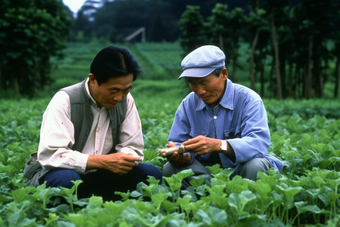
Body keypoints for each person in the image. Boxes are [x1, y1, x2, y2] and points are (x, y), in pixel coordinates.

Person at [24, 46, 162, 201]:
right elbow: (53, 155)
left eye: (126, 90)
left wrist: (123, 158)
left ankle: (105, 205)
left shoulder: (126, 100)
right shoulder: (65, 100)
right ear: (93, 80)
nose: (119, 97)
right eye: (113, 90)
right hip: (63, 172)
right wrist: (102, 161)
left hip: (104, 174)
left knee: (151, 174)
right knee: (67, 181)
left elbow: (132, 146)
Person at [162, 45, 282, 187]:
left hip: (241, 171)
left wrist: (220, 145)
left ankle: (243, 204)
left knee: (256, 165)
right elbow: (177, 142)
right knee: (170, 168)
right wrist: (180, 156)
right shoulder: (188, 104)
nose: (200, 91)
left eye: (205, 83)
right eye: (193, 84)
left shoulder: (249, 100)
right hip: (204, 173)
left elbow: (258, 143)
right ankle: (202, 206)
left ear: (224, 74)